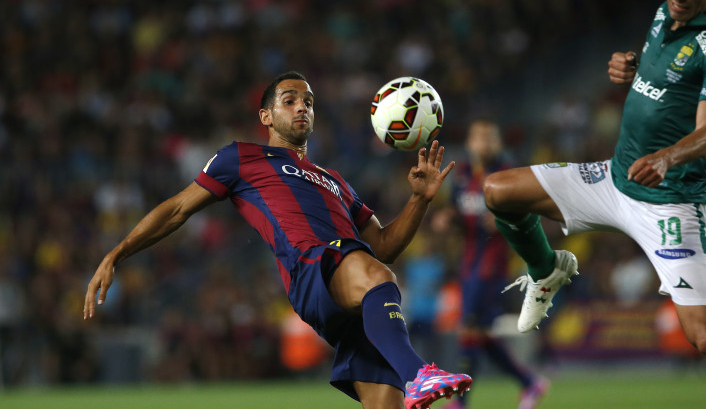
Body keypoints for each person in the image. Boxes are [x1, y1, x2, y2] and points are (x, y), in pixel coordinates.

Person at [483, 0, 706, 387]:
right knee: (498, 190)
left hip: (668, 202)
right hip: (613, 179)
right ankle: (546, 271)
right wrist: (630, 72)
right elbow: (664, 85)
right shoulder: (663, 13)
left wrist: (667, 158)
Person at [84, 71, 473, 409]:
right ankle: (419, 373)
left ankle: (410, 374)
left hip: (352, 281)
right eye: (290, 100)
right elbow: (176, 209)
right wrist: (117, 254)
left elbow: (383, 243)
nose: (302, 107)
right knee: (378, 273)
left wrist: (419, 201)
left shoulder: (335, 180)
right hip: (311, 267)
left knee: (385, 399)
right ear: (266, 116)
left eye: (308, 101)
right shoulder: (240, 157)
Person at [444, 119, 549, 409]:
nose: (484, 143)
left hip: (492, 263)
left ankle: (460, 403)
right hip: (467, 261)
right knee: (480, 333)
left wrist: (506, 219)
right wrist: (447, 219)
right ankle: (530, 383)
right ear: (469, 142)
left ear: (499, 142)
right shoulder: (463, 174)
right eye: (479, 137)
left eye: (490, 138)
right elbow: (459, 210)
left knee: (468, 327)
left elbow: (529, 210)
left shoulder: (508, 173)